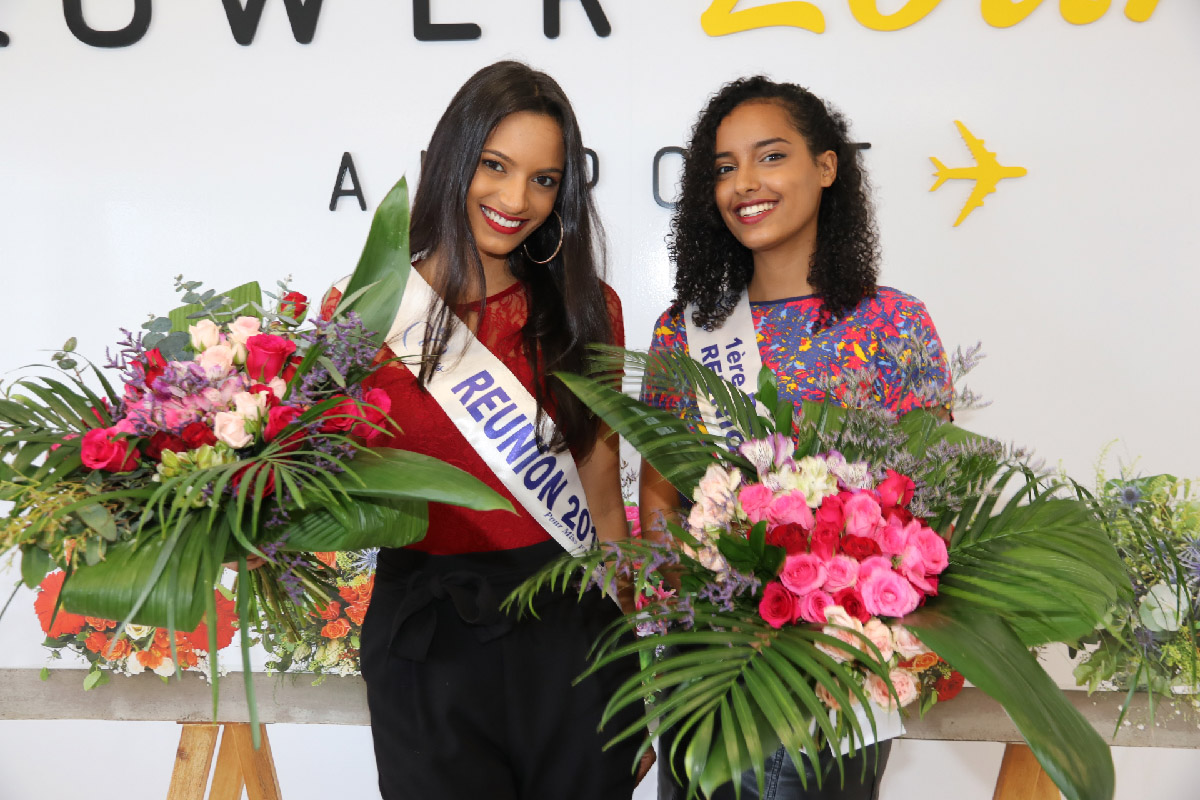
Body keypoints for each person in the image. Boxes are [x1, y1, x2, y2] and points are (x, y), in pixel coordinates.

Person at [322, 61, 647, 800]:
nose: (515, 199)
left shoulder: (588, 309)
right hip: (425, 635)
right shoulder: (369, 312)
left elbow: (602, 500)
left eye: (544, 179)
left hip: (570, 627)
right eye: (495, 167)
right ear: (452, 162)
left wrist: (640, 669)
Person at [640, 76, 953, 800]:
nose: (743, 183)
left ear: (826, 166)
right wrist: (674, 622)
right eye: (724, 168)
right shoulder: (681, 329)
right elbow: (660, 491)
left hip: (836, 676)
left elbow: (926, 500)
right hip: (710, 673)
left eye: (769, 156)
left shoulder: (894, 325)